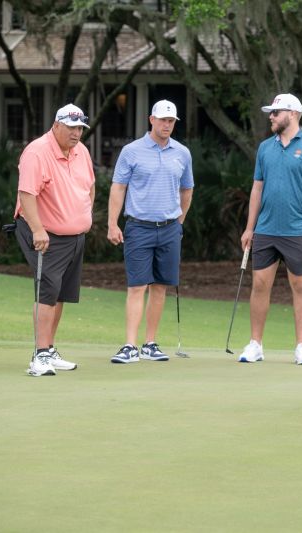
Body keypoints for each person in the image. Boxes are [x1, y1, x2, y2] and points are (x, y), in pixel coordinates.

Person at [238, 93, 302, 365]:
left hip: (298, 229)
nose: (271, 116)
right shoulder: (265, 148)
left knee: (301, 286)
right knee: (259, 284)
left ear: (293, 114)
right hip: (266, 229)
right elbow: (257, 189)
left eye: (276, 112)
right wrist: (249, 228)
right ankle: (255, 344)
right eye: (271, 112)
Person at [107, 100, 194, 364]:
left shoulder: (182, 153)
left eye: (171, 121)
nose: (167, 125)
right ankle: (130, 345)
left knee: (160, 287)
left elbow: (187, 189)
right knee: (137, 286)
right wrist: (112, 223)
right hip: (138, 227)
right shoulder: (131, 151)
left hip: (169, 229)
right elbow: (118, 187)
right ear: (151, 120)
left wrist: (179, 222)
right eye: (163, 120)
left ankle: (150, 343)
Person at [14, 103, 95, 376]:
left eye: (80, 128)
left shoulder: (81, 151)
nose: (76, 133)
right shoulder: (36, 152)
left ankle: (48, 349)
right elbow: (27, 194)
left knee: (60, 294)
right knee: (47, 291)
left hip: (74, 236)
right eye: (71, 127)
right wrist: (38, 230)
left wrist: (83, 216)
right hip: (45, 234)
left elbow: (90, 186)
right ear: (56, 125)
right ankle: (39, 357)